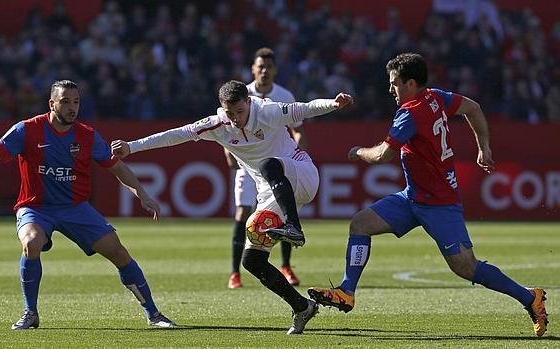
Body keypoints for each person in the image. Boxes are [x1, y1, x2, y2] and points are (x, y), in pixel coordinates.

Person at [307, 53, 548, 337]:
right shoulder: (436, 97)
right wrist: (484, 147)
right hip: (413, 197)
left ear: (410, 83)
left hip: (440, 203)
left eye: (394, 83)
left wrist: (357, 151)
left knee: (465, 267)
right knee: (360, 224)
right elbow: (473, 107)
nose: (390, 89)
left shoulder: (409, 112)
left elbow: (384, 155)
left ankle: (530, 298)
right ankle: (347, 291)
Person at [112, 80, 353, 334]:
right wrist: (132, 146)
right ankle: (302, 306)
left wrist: (334, 104)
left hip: (302, 174)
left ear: (248, 102)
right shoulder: (218, 125)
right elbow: (177, 134)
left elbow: (303, 109)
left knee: (268, 164)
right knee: (252, 261)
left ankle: (294, 227)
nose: (236, 119)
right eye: (230, 113)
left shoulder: (267, 111)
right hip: (272, 192)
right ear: (222, 108)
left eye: (240, 111)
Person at [0, 80, 175, 330]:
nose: (72, 108)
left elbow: (117, 167)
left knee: (118, 252)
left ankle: (153, 314)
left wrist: (142, 193)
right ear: (51, 104)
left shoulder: (87, 136)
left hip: (75, 208)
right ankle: (30, 313)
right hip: (35, 207)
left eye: (76, 102)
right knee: (31, 243)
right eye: (65, 102)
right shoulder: (26, 130)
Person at [227, 47, 307, 289]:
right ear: (253, 69)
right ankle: (234, 273)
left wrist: (294, 153)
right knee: (242, 214)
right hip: (248, 164)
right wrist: (229, 153)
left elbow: (298, 128)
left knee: (283, 209)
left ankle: (285, 266)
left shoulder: (284, 95)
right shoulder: (242, 93)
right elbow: (225, 128)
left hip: (275, 164)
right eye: (260, 66)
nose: (264, 70)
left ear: (274, 70)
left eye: (268, 67)